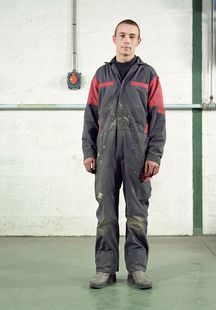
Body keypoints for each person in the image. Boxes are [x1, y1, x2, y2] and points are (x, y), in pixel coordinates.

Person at [82, 19, 166, 289]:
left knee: (137, 214)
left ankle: (137, 269)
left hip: (137, 155)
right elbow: (90, 117)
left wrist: (154, 154)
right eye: (122, 35)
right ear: (114, 39)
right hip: (105, 153)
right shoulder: (101, 75)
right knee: (106, 214)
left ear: (138, 41)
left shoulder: (148, 75)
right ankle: (105, 269)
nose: (127, 40)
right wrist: (88, 151)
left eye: (132, 36)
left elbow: (158, 118)